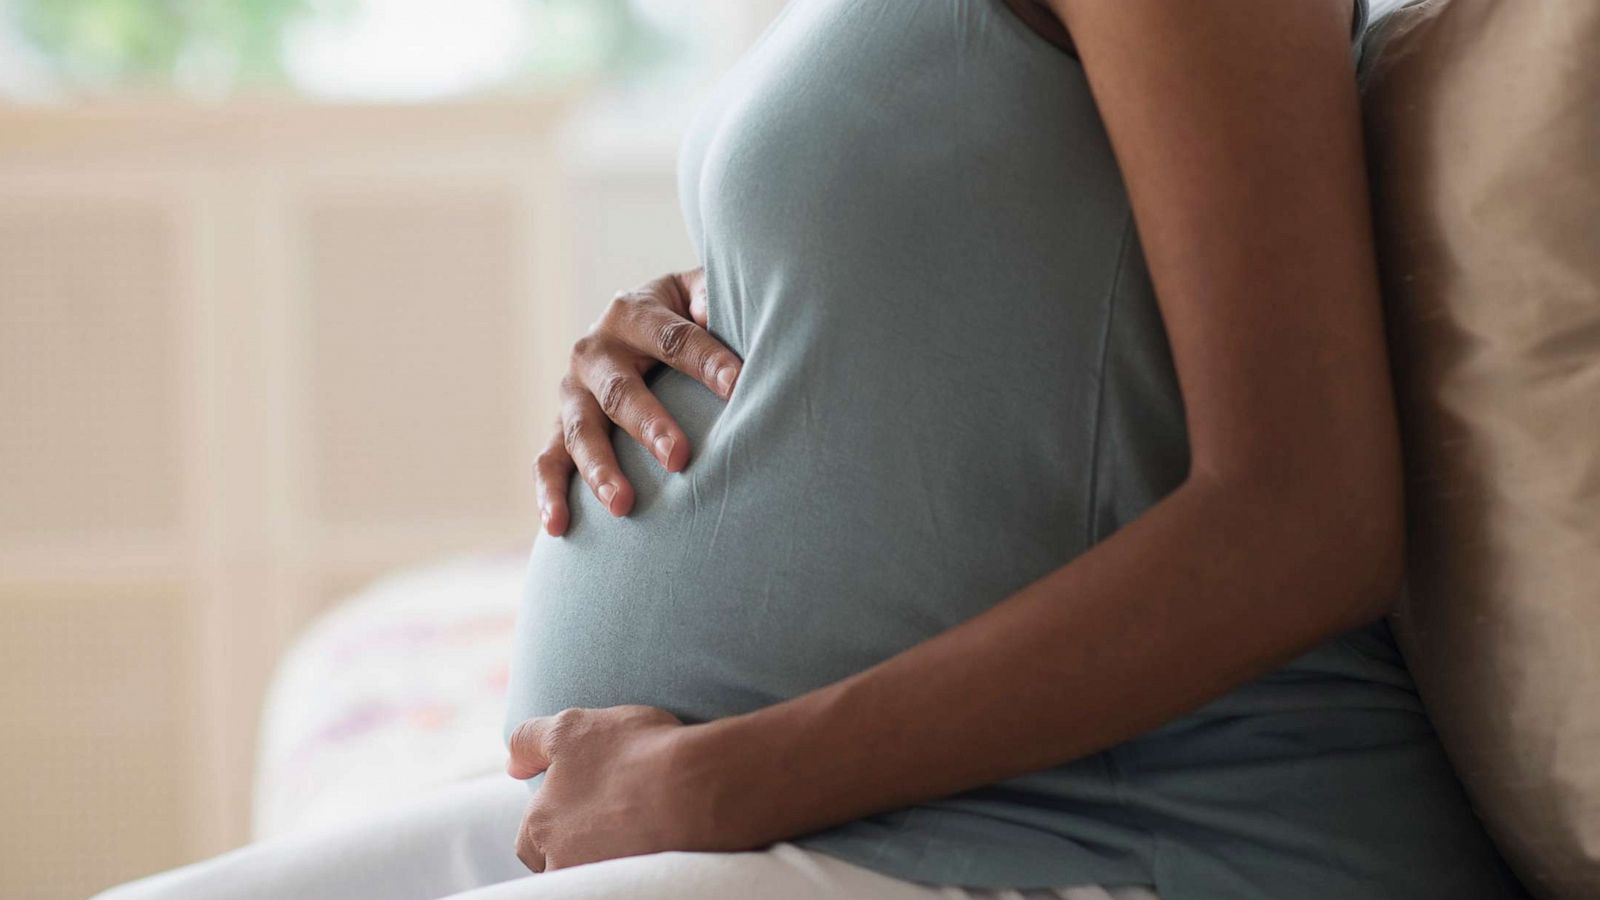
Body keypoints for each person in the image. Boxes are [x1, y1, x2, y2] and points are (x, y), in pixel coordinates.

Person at [97, 1, 1525, 898]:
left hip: (1110, 841)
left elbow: (1306, 516)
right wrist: (718, 302)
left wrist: (723, 781)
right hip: (846, 815)